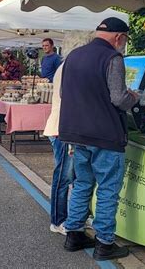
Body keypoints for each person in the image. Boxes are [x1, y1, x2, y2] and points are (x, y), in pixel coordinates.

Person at [60, 17, 139, 261]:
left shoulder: (73, 55)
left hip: (75, 131)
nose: (123, 44)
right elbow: (118, 98)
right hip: (105, 134)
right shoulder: (113, 58)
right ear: (119, 37)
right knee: (107, 189)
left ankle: (73, 234)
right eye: (124, 40)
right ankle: (105, 243)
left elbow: (64, 93)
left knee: (82, 184)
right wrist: (134, 97)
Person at [44, 31, 95, 236]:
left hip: (64, 128)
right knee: (65, 176)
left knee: (75, 176)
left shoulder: (66, 66)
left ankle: (76, 216)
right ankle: (59, 220)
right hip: (64, 130)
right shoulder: (71, 68)